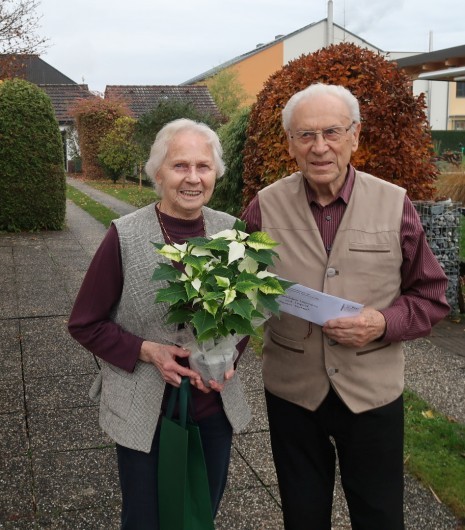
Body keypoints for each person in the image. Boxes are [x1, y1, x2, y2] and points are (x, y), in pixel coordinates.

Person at [242, 83, 450, 530]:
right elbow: (240, 293)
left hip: (371, 393)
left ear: (355, 136)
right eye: (305, 135)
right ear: (290, 144)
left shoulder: (395, 204)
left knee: (379, 515)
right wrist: (217, 356)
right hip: (293, 393)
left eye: (332, 132)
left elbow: (431, 297)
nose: (320, 147)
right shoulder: (263, 207)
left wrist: (383, 321)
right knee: (302, 515)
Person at [68, 118, 251, 529]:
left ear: (216, 174)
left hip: (212, 407)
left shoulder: (232, 232)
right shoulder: (125, 236)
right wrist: (147, 350)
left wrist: (229, 357)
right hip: (145, 412)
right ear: (157, 173)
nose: (192, 178)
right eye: (179, 166)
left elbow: (245, 312)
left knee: (200, 515)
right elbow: (84, 323)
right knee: (146, 519)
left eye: (203, 167)